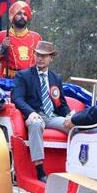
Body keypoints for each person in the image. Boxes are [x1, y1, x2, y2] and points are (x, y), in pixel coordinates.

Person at [11, 41, 72, 182]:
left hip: (52, 116)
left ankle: (73, 167)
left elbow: (61, 104)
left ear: (51, 58)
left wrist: (70, 116)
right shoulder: (24, 75)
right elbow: (17, 98)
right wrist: (30, 112)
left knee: (75, 127)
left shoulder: (55, 78)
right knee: (35, 124)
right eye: (38, 54)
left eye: (44, 56)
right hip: (34, 115)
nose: (40, 58)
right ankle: (40, 171)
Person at [0, 0, 42, 78]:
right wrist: (2, 47)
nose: (22, 16)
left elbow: (42, 62)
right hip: (8, 82)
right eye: (19, 13)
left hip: (30, 81)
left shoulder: (36, 37)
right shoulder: (2, 36)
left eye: (25, 14)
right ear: (12, 16)